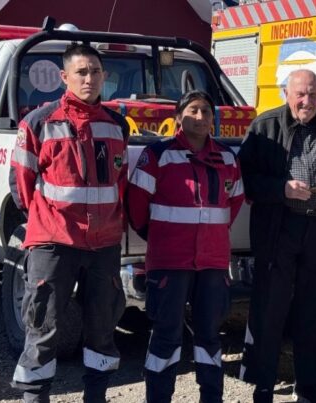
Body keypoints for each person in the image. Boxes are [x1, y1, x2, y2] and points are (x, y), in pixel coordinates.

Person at [9, 44, 129, 403]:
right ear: (64, 77)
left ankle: (96, 397)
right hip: (53, 243)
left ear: (104, 75)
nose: (89, 78)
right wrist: (47, 225)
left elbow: (118, 184)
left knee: (102, 330)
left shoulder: (116, 125)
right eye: (81, 72)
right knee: (43, 328)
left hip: (103, 245)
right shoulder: (38, 122)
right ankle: (34, 398)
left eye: (95, 71)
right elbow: (21, 185)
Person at [237, 69, 316, 403]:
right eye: (300, 94)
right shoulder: (265, 126)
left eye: (313, 94)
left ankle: (308, 385)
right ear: (286, 93)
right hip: (279, 229)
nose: (306, 101)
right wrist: (281, 188)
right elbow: (244, 178)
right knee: (269, 307)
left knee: (315, 309)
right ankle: (263, 385)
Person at [126, 90, 244, 403]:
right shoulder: (159, 155)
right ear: (178, 117)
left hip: (212, 263)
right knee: (166, 336)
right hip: (170, 261)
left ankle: (212, 397)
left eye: (206, 111)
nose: (201, 117)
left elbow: (232, 204)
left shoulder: (228, 158)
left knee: (209, 336)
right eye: (193, 110)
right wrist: (162, 237)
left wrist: (210, 235)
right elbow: (137, 205)